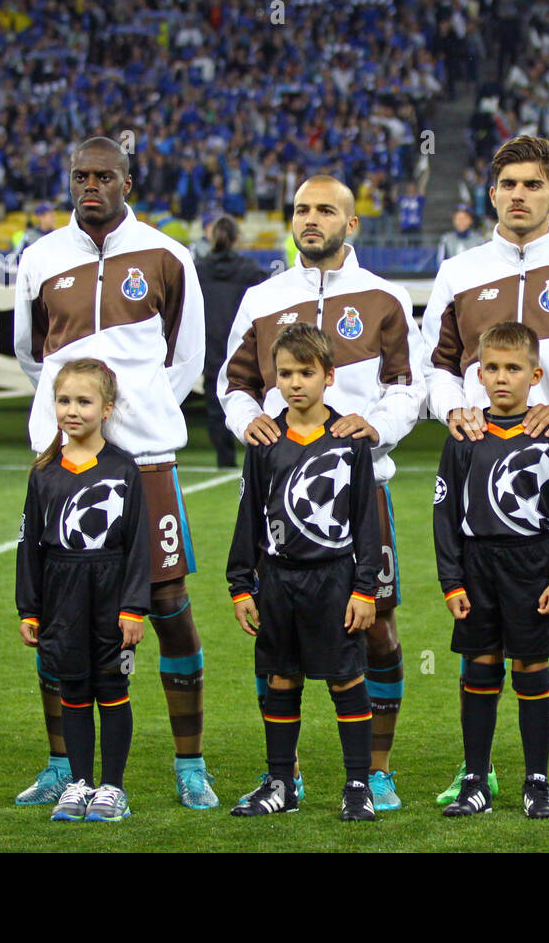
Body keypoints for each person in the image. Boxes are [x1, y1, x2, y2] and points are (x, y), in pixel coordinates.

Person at [421, 134, 549, 807]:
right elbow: (433, 366)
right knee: (480, 633)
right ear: (491, 193)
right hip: (482, 482)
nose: (519, 195)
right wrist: (455, 408)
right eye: (508, 183)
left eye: (532, 184)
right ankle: (474, 769)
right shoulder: (457, 272)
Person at [13, 136, 214, 809]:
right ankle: (61, 765)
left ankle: (191, 762)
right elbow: (34, 356)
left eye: (104, 175)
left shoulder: (166, 254)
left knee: (166, 605)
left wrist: (139, 412)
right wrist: (70, 417)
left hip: (148, 458)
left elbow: (187, 357)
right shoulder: (39, 258)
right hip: (64, 461)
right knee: (58, 614)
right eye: (80, 175)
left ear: (129, 179)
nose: (91, 185)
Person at [219, 174, 425, 811]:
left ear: (351, 223)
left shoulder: (384, 298)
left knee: (377, 631)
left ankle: (375, 771)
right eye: (302, 209)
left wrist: (378, 429)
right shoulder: (262, 298)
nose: (311, 219)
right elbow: (235, 383)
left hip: (356, 496)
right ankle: (289, 775)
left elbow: (408, 388)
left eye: (326, 210)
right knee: (277, 647)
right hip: (280, 491)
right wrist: (243, 420)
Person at [226, 324, 381, 822]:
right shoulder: (265, 440)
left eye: (307, 373)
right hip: (277, 581)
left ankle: (358, 785)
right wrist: (240, 584)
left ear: (329, 376)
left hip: (334, 579)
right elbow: (248, 513)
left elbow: (366, 521)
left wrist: (364, 588)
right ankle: (281, 783)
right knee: (282, 679)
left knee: (345, 679)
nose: (295, 383)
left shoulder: (349, 439)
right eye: (285, 374)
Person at [434, 321, 549, 819]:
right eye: (492, 368)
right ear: (478, 374)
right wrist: (451, 579)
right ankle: (475, 780)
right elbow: (445, 513)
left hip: (532, 566)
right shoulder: (464, 436)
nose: (501, 378)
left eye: (513, 368)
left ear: (535, 374)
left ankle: (536, 783)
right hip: (477, 568)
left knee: (531, 668)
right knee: (479, 669)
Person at [17, 359, 150, 823]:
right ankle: (78, 782)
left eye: (84, 401)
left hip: (111, 595)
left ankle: (112, 787)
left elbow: (138, 545)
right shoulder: (44, 471)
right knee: (72, 687)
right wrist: (29, 609)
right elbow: (29, 546)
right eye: (64, 400)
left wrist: (134, 607)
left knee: (111, 687)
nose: (72, 410)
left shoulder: (123, 468)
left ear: (107, 408)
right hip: (62, 596)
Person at [193, 215, 267, 468]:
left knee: (216, 407)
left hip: (211, 347)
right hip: (245, 347)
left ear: (211, 236)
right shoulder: (250, 270)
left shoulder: (198, 270)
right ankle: (259, 456)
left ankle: (224, 460)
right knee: (257, 400)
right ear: (236, 238)